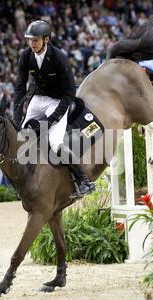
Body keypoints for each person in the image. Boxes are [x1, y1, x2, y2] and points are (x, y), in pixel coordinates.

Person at [12, 20, 95, 198]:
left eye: (35, 40)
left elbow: (70, 93)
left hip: (58, 101)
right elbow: (20, 87)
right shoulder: (26, 56)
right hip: (38, 98)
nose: (31, 44)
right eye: (29, 40)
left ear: (46, 39)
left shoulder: (58, 57)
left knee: (55, 143)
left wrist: (54, 119)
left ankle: (84, 180)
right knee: (22, 136)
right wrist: (16, 115)